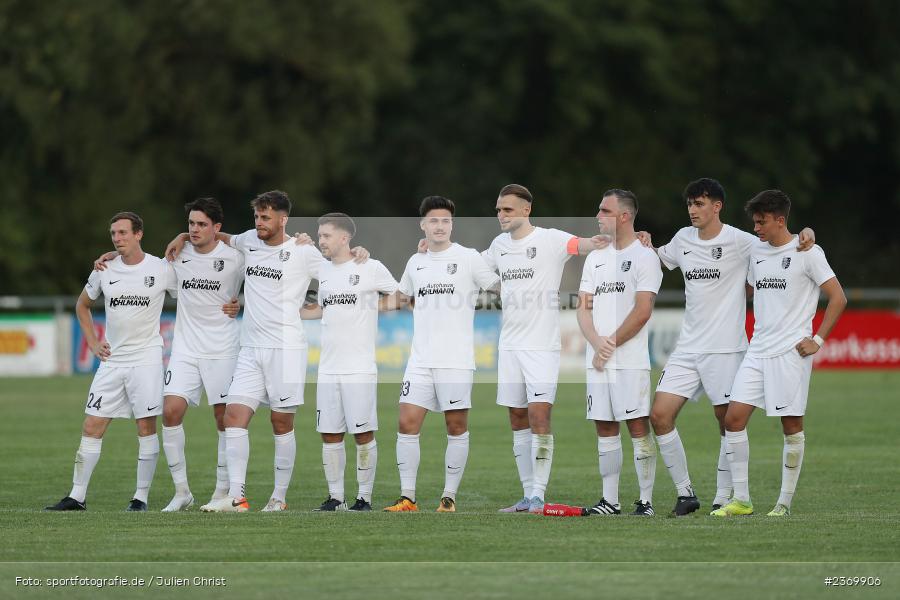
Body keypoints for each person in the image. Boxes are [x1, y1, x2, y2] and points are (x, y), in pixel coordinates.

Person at [646, 178, 816, 516]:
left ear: (717, 206)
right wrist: (641, 243)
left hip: (727, 349)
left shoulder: (742, 242)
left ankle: (725, 496)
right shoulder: (682, 239)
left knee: (727, 422)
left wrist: (806, 232)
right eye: (690, 204)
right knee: (659, 416)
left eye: (699, 204)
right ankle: (685, 493)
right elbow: (652, 259)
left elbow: (781, 242)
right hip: (687, 348)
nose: (693, 210)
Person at [166, 190, 323, 512]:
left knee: (281, 423)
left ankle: (278, 498)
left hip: (286, 350)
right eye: (256, 217)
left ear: (283, 219)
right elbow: (218, 234)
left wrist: (356, 258)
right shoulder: (249, 240)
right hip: (250, 349)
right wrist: (183, 234)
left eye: (266, 218)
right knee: (234, 418)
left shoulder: (303, 252)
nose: (259, 223)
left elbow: (334, 276)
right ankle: (236, 497)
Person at [94, 198, 243, 512]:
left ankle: (222, 490)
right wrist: (112, 256)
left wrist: (239, 302)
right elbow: (139, 266)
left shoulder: (235, 257)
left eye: (202, 224)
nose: (194, 229)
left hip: (222, 349)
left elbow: (263, 285)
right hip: (185, 349)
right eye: (190, 224)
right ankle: (182, 492)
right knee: (171, 412)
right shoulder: (177, 256)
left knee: (223, 419)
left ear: (217, 228)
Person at [712, 190, 845, 517]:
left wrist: (818, 340)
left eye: (762, 222)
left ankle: (783, 503)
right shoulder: (756, 251)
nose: (756, 228)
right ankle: (741, 500)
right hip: (757, 350)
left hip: (791, 353)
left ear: (780, 220)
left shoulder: (808, 252)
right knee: (733, 418)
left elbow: (838, 297)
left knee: (791, 424)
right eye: (754, 222)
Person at [483, 184, 607, 514]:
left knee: (540, 415)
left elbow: (585, 245)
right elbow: (474, 269)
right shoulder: (498, 246)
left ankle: (538, 495)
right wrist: (433, 247)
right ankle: (527, 496)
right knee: (516, 417)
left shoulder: (550, 239)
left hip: (541, 346)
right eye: (498, 210)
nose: (501, 215)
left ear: (526, 210)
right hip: (509, 346)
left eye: (507, 209)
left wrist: (614, 238)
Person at [46, 212, 175, 511]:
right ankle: (77, 496)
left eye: (123, 233)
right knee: (92, 425)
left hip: (146, 360)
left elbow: (191, 294)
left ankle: (140, 497)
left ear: (138, 234)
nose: (117, 238)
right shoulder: (104, 269)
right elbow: (82, 305)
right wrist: (92, 342)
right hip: (112, 362)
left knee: (146, 428)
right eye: (113, 234)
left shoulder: (161, 268)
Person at [381, 196, 500, 513]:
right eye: (433, 221)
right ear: (423, 225)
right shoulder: (415, 262)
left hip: (456, 361)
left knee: (456, 426)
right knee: (407, 422)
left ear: (452, 225)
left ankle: (449, 497)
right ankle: (408, 498)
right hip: (419, 360)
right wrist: (362, 305)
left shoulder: (468, 258)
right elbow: (400, 297)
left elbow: (498, 285)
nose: (439, 226)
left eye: (445, 221)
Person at [300, 213, 398, 512]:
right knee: (329, 432)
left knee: (362, 432)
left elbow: (398, 295)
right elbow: (323, 308)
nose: (321, 241)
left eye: (326, 236)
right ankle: (336, 498)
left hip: (359, 367)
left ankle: (364, 498)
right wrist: (297, 313)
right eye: (319, 236)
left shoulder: (369, 266)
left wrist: (371, 305)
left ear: (345, 238)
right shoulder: (322, 269)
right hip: (328, 366)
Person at [577, 190, 663, 516]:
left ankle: (645, 501)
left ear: (624, 216)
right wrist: (597, 344)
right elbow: (583, 309)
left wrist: (608, 345)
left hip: (629, 361)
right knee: (604, 426)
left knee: (637, 425)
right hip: (598, 361)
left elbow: (642, 312)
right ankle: (610, 501)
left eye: (604, 210)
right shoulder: (595, 258)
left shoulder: (644, 256)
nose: (598, 216)